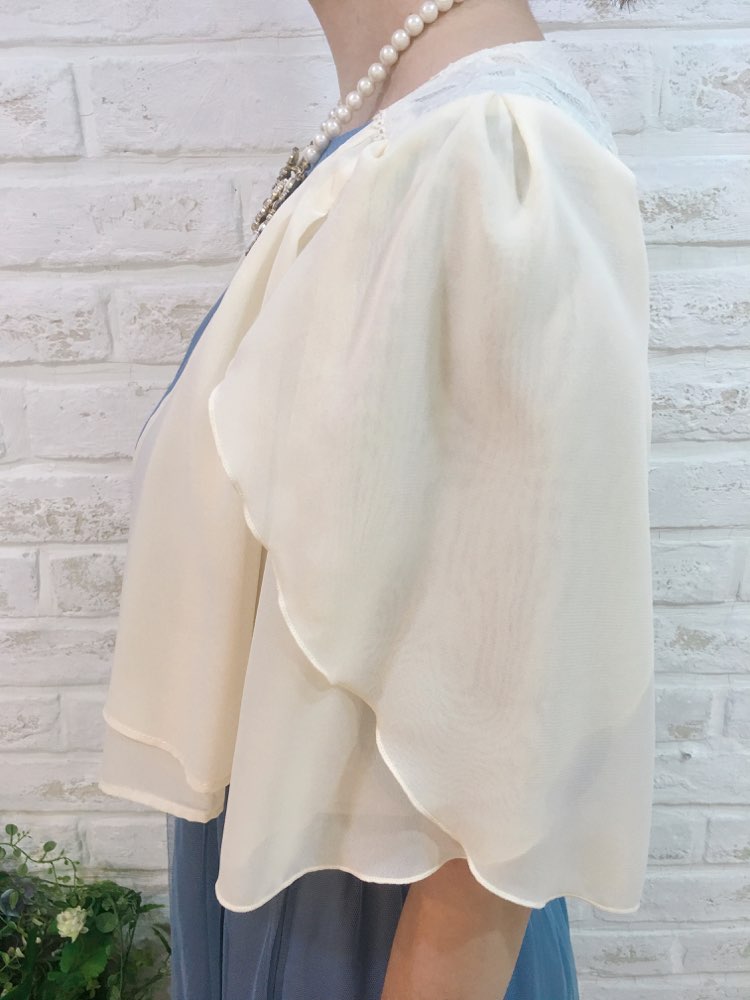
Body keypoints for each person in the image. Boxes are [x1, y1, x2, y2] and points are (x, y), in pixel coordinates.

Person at [97, 0, 655, 997]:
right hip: (294, 900)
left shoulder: (491, 155)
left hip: (377, 943)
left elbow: (513, 747)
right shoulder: (403, 135)